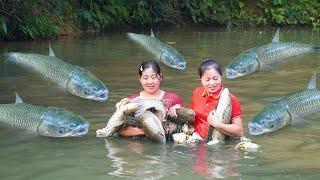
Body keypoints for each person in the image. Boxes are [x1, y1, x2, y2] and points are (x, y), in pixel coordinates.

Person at [116, 60, 184, 137]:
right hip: (139, 146)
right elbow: (120, 130)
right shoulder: (132, 101)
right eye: (145, 78)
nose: (150, 82)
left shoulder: (173, 99)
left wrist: (179, 109)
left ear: (160, 77)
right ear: (140, 78)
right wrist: (150, 130)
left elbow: (186, 126)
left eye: (153, 77)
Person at [189, 59, 243, 140]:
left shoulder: (230, 99)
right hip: (197, 140)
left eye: (215, 79)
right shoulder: (197, 92)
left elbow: (239, 132)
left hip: (218, 143)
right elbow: (191, 116)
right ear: (200, 79)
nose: (212, 83)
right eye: (207, 80)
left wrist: (216, 124)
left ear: (221, 77)